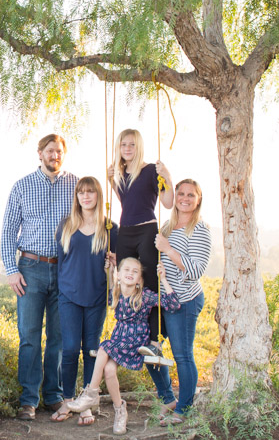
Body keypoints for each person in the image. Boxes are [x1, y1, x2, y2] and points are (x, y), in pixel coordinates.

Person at [1, 134, 79, 421]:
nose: (54, 155)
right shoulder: (22, 186)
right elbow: (8, 231)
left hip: (65, 269)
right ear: (40, 154)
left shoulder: (75, 185)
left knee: (59, 336)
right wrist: (11, 270)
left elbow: (92, 221)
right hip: (30, 269)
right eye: (50, 151)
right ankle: (29, 400)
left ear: (63, 154)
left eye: (59, 151)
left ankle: (54, 397)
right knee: (30, 337)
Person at [66, 256, 180, 435]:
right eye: (126, 270)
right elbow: (112, 283)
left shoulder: (144, 296)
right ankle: (120, 411)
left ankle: (91, 393)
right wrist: (111, 271)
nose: (130, 274)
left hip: (135, 343)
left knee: (104, 348)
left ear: (139, 280)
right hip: (119, 341)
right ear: (119, 275)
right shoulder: (116, 294)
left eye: (135, 272)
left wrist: (163, 279)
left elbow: (173, 304)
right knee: (109, 371)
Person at [106, 128, 174, 404]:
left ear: (139, 146)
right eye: (123, 144)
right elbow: (126, 204)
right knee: (126, 285)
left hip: (147, 230)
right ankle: (127, 330)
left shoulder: (150, 171)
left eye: (132, 144)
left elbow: (168, 203)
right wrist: (112, 180)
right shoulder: (119, 174)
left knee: (149, 286)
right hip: (126, 232)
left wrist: (167, 176)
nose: (128, 147)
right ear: (119, 146)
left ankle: (156, 339)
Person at [50, 176, 117, 426]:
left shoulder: (110, 228)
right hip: (68, 296)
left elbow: (115, 268)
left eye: (90, 192)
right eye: (81, 192)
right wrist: (61, 292)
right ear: (76, 197)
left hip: (96, 297)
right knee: (68, 350)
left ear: (98, 195)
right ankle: (68, 400)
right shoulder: (66, 225)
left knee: (90, 351)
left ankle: (85, 403)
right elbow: (61, 263)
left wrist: (113, 264)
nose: (85, 196)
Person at [153, 179, 212, 426]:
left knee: (182, 355)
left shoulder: (200, 228)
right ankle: (168, 397)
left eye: (191, 195)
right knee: (149, 348)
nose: (185, 198)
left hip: (185, 300)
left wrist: (167, 249)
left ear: (198, 200)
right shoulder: (167, 225)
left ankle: (185, 407)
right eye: (181, 193)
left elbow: (196, 269)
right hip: (164, 298)